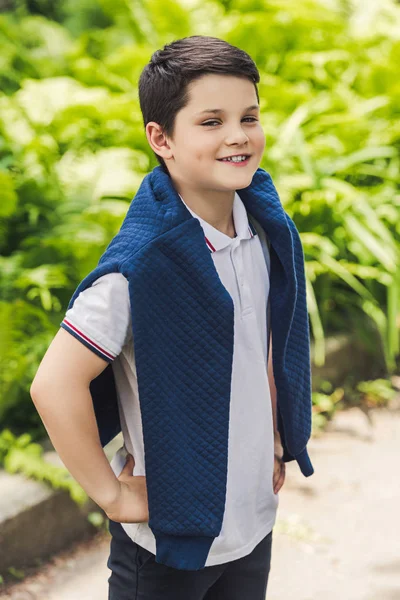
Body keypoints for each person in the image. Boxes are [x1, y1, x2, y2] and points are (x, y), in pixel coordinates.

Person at [30, 35, 314, 599]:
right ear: (161, 138)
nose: (238, 135)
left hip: (252, 520)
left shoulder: (262, 227)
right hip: (169, 543)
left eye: (248, 116)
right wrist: (113, 496)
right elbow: (54, 385)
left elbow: (263, 343)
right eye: (211, 121)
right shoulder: (139, 266)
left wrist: (278, 439)